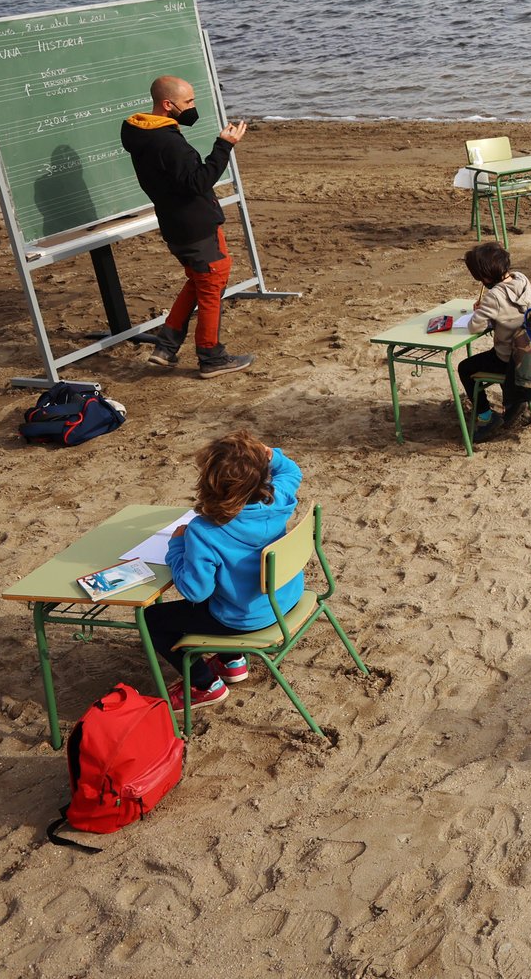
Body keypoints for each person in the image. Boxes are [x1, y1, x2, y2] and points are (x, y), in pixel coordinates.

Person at [146, 431, 305, 711]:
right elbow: (292, 469)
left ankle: (204, 685)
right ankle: (232, 661)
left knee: (152, 619)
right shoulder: (278, 499)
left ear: (208, 484)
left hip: (245, 618)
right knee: (225, 588)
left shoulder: (204, 532)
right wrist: (271, 455)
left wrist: (177, 547)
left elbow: (195, 590)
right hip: (285, 599)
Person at [121, 75, 254, 377]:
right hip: (195, 225)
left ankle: (166, 346)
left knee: (199, 279)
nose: (193, 107)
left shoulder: (141, 132)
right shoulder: (169, 143)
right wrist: (224, 145)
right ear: (168, 105)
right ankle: (211, 356)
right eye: (188, 102)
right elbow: (199, 182)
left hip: (174, 224)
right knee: (212, 282)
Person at [454, 242, 531, 440]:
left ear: (485, 276)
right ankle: (514, 402)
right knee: (488, 358)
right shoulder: (522, 280)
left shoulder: (494, 296)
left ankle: (486, 417)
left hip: (509, 358)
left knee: (465, 368)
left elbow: (475, 326)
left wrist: (481, 310)